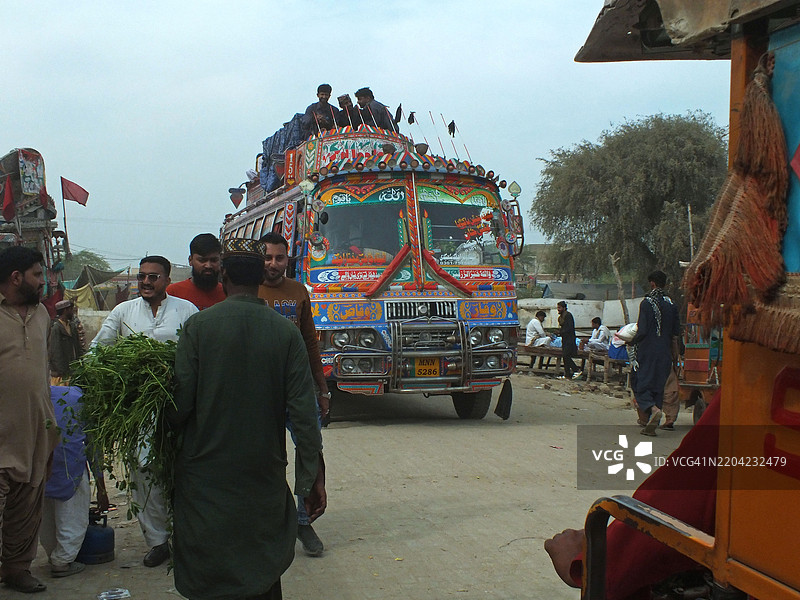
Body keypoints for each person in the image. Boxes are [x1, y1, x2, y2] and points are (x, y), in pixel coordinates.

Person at [170, 237, 325, 600]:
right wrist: (310, 480)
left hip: (204, 474)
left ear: (223, 275)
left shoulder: (197, 328)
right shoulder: (285, 333)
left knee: (209, 559)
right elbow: (304, 417)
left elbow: (179, 406)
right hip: (263, 472)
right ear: (260, 277)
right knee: (261, 563)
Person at [544, 393, 720, 600]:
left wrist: (591, 564)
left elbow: (682, 497)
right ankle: (660, 414)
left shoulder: (746, 396)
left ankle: (652, 411)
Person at [92, 255, 198, 568]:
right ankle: (158, 541)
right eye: (142, 277)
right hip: (139, 409)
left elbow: (197, 354)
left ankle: (187, 538)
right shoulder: (123, 312)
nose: (146, 282)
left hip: (178, 406)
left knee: (181, 471)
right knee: (141, 471)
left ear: (167, 280)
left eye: (153, 277)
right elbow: (100, 348)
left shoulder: (186, 310)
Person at [259, 231, 329, 557]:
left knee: (309, 451)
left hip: (298, 389)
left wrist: (322, 388)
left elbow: (310, 342)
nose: (273, 264)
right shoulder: (247, 291)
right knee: (265, 459)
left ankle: (303, 519)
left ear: (288, 259)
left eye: (279, 257)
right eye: (268, 257)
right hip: (261, 391)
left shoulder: (299, 291)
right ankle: (269, 523)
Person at [0, 246, 60, 594]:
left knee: (27, 509)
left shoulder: (42, 316)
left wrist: (51, 427)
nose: (44, 281)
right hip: (2, 431)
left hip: (36, 429)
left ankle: (17, 569)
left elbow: (41, 373)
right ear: (16, 277)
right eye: (38, 274)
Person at [40, 385, 109, 578]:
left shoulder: (38, 394)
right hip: (70, 466)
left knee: (46, 514)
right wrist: (101, 487)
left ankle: (53, 554)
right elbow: (93, 446)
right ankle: (62, 561)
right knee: (72, 515)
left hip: (40, 466)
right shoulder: (80, 400)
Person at [629, 270, 680, 436]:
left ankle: (654, 409)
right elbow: (675, 333)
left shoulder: (646, 303)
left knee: (641, 383)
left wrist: (631, 341)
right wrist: (675, 355)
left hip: (647, 351)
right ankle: (653, 422)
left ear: (652, 283)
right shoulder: (671, 304)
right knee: (658, 386)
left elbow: (642, 330)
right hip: (665, 353)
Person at [166, 233, 226, 311]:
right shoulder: (172, 293)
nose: (208, 265)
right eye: (202, 260)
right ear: (190, 260)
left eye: (213, 260)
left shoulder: (227, 294)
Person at [48, 299, 85, 384]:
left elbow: (78, 347)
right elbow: (55, 352)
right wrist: (62, 372)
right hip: (61, 375)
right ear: (65, 310)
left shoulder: (72, 326)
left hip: (73, 371)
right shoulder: (56, 328)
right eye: (71, 310)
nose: (72, 312)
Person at [556, 301, 580, 380]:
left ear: (564, 308)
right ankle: (567, 375)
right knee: (565, 356)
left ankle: (576, 369)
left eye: (559, 308)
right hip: (565, 339)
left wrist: (560, 332)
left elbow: (569, 328)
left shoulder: (568, 315)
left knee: (566, 356)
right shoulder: (561, 317)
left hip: (569, 339)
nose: (558, 309)